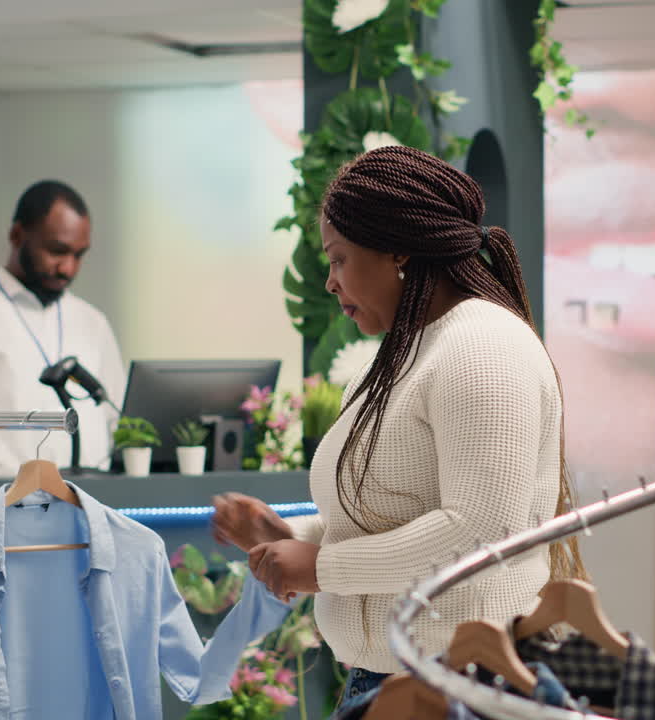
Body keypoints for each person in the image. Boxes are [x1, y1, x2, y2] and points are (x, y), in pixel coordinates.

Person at [211, 146, 586, 713]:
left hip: (465, 685)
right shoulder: (396, 356)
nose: (331, 283)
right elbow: (392, 512)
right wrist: (295, 535)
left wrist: (322, 566)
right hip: (391, 681)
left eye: (338, 259)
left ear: (398, 252)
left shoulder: (484, 347)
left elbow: (480, 529)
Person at [0, 180, 125, 478]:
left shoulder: (93, 322)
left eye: (79, 255)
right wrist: (36, 493)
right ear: (17, 234)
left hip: (93, 506)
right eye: (57, 251)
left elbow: (116, 418)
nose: (68, 268)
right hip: (11, 507)